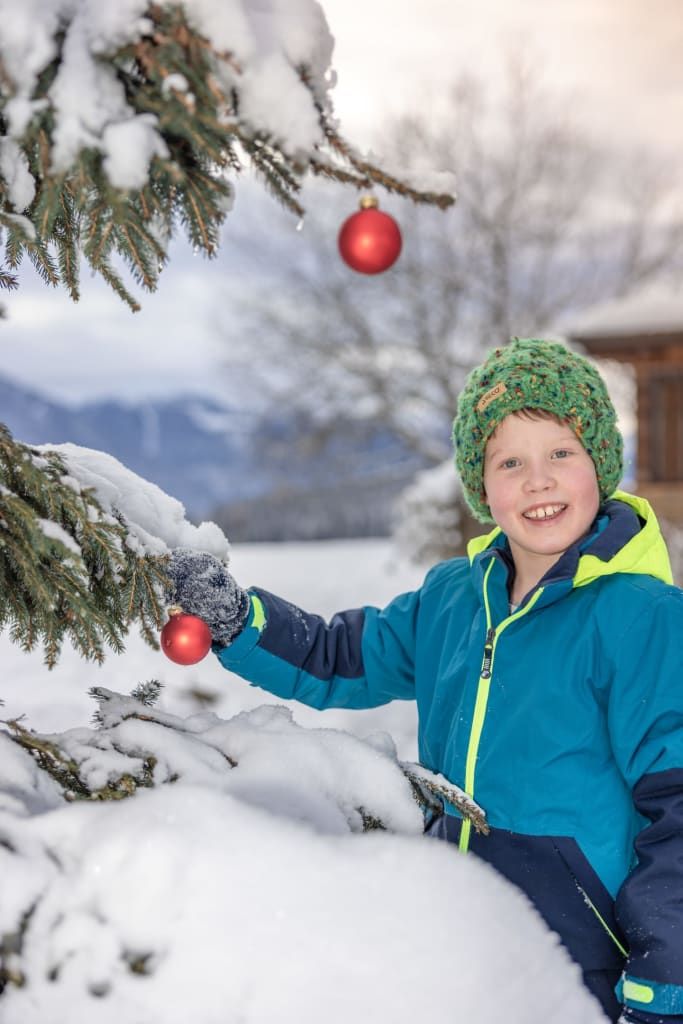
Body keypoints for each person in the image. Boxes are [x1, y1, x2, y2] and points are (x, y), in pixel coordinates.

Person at [167, 338, 683, 1024]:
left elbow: (675, 805)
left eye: (561, 452)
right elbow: (338, 657)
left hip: (584, 962)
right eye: (509, 462)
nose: (538, 480)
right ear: (481, 487)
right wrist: (239, 620)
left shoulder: (641, 617)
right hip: (461, 936)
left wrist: (663, 983)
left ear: (601, 463)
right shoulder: (451, 600)